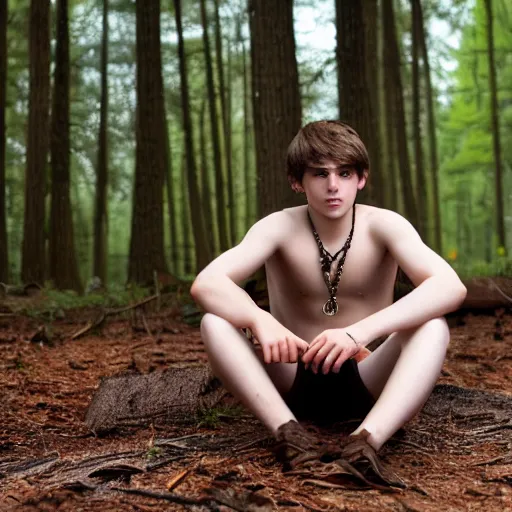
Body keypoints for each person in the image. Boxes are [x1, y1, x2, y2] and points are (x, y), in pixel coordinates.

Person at [190, 120, 467, 488]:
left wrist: (358, 333)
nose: (333, 186)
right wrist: (259, 319)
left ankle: (365, 445)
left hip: (368, 381)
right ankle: (289, 438)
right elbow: (206, 282)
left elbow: (451, 286)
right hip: (290, 381)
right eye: (319, 174)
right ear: (297, 181)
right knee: (214, 323)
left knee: (433, 326)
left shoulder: (385, 225)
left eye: (345, 172)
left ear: (361, 178)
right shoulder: (277, 227)